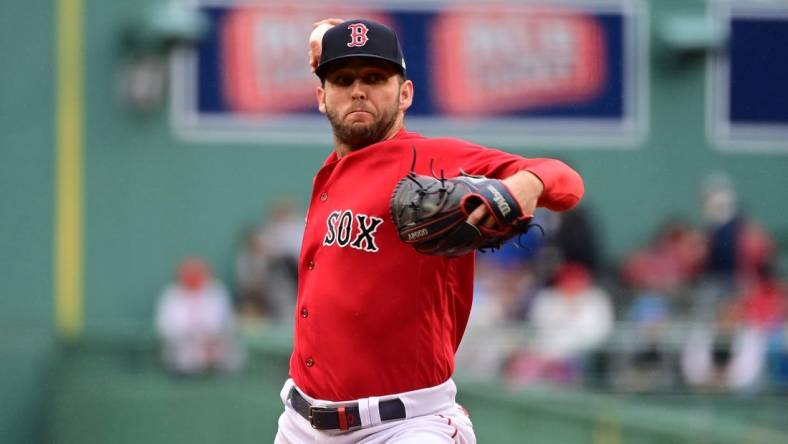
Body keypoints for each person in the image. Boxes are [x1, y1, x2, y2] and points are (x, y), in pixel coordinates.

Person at [274, 19, 584, 443]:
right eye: (343, 80)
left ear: (405, 94)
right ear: (321, 98)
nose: (358, 90)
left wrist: (525, 185)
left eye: (375, 78)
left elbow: (564, 179)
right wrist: (326, 36)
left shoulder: (434, 158)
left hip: (404, 425)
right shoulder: (333, 170)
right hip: (301, 424)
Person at [155, 257, 242, 375]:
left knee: (232, 353)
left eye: (198, 273)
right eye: (190, 273)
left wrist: (213, 337)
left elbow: (228, 322)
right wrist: (192, 336)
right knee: (183, 355)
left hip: (215, 345)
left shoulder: (216, 291)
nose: (194, 276)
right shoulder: (171, 294)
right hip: (183, 349)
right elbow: (164, 327)